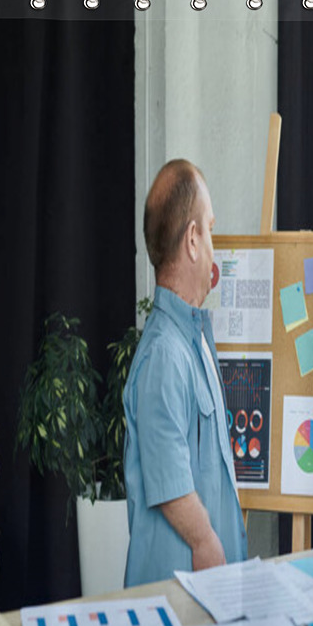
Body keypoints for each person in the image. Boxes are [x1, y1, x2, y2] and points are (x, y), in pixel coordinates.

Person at [122, 159, 247, 587]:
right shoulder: (165, 355)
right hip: (179, 597)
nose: (214, 244)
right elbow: (169, 476)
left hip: (203, 594)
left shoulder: (191, 340)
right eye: (210, 230)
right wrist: (207, 541)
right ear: (193, 240)